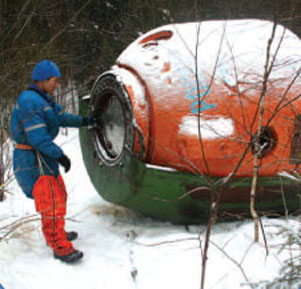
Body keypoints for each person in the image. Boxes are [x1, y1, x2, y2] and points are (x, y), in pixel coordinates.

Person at [10, 59, 95, 264]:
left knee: (59, 197)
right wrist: (60, 155)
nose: (57, 85)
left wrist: (85, 122)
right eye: (55, 81)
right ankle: (59, 246)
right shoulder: (31, 102)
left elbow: (61, 117)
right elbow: (37, 138)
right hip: (32, 160)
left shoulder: (43, 98)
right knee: (51, 203)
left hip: (43, 157)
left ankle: (57, 232)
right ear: (43, 79)